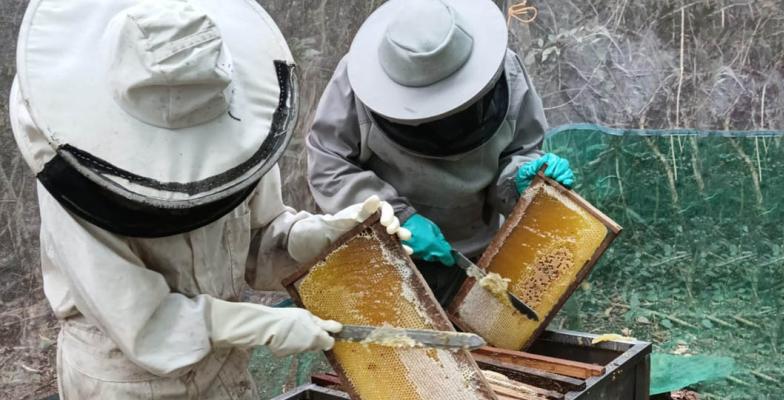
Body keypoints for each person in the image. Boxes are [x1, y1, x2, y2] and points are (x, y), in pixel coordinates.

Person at [9, 0, 410, 398]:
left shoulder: (239, 136)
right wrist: (262, 325)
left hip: (222, 365)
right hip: (129, 382)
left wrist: (333, 233)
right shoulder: (79, 179)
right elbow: (146, 326)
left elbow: (261, 239)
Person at [306, 0, 575, 304]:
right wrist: (396, 215)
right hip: (380, 259)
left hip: (476, 258)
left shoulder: (508, 72)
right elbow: (328, 165)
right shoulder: (356, 79)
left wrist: (520, 179)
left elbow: (521, 149)